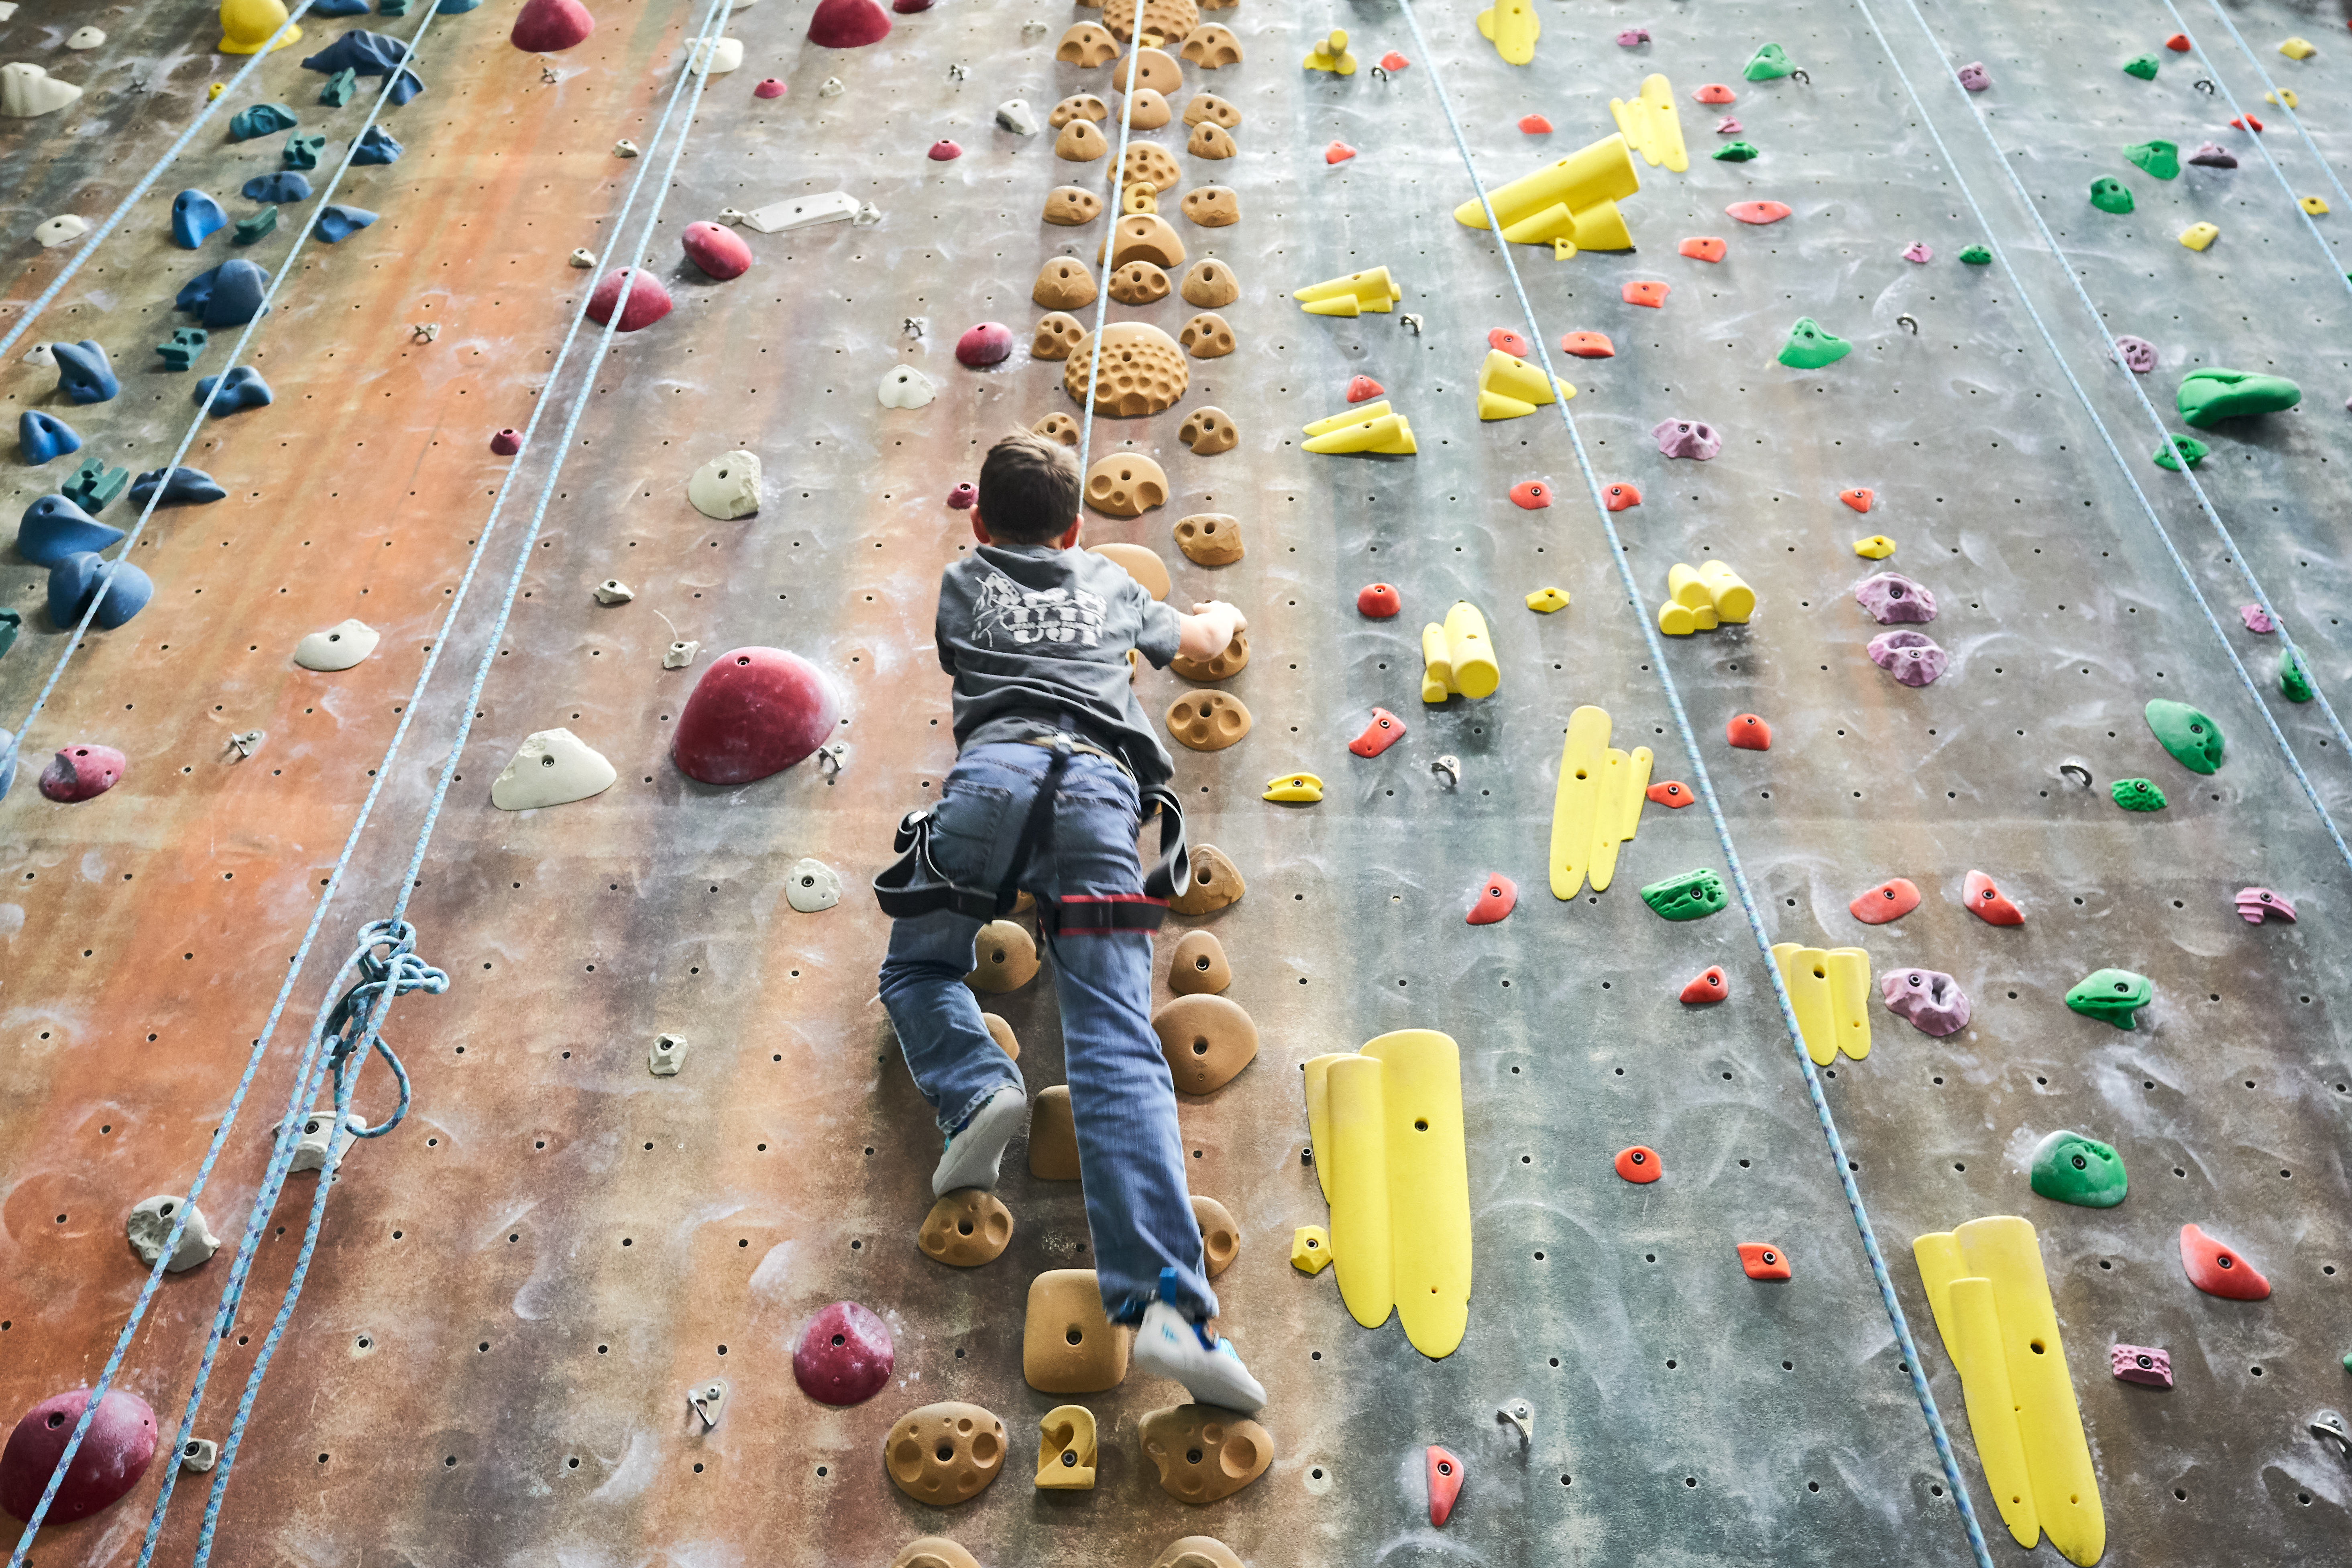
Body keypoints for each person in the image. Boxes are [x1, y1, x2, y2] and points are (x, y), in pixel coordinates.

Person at [876, 430, 1263, 1413]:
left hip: (988, 782)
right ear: (1076, 526)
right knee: (1115, 1043)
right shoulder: (1105, 579)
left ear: (979, 520)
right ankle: (1170, 1308)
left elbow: (969, 655)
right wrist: (1216, 612)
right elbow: (1200, 646)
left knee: (920, 970)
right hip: (1098, 792)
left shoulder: (962, 580)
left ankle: (973, 1091)